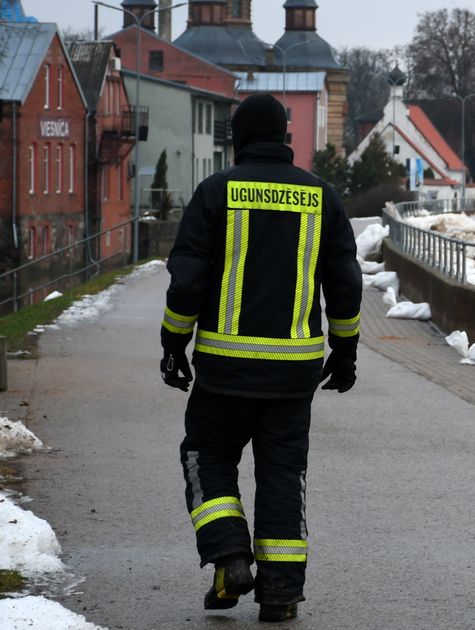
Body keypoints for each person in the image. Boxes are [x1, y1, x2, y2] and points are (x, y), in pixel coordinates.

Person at [159, 94, 361, 623]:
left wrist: (173, 342)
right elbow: (345, 284)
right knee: (282, 474)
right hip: (294, 374)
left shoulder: (214, 192)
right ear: (285, 135)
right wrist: (345, 352)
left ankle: (229, 556)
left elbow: (187, 282)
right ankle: (280, 592)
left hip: (223, 369)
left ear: (239, 138)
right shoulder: (322, 196)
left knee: (207, 456)